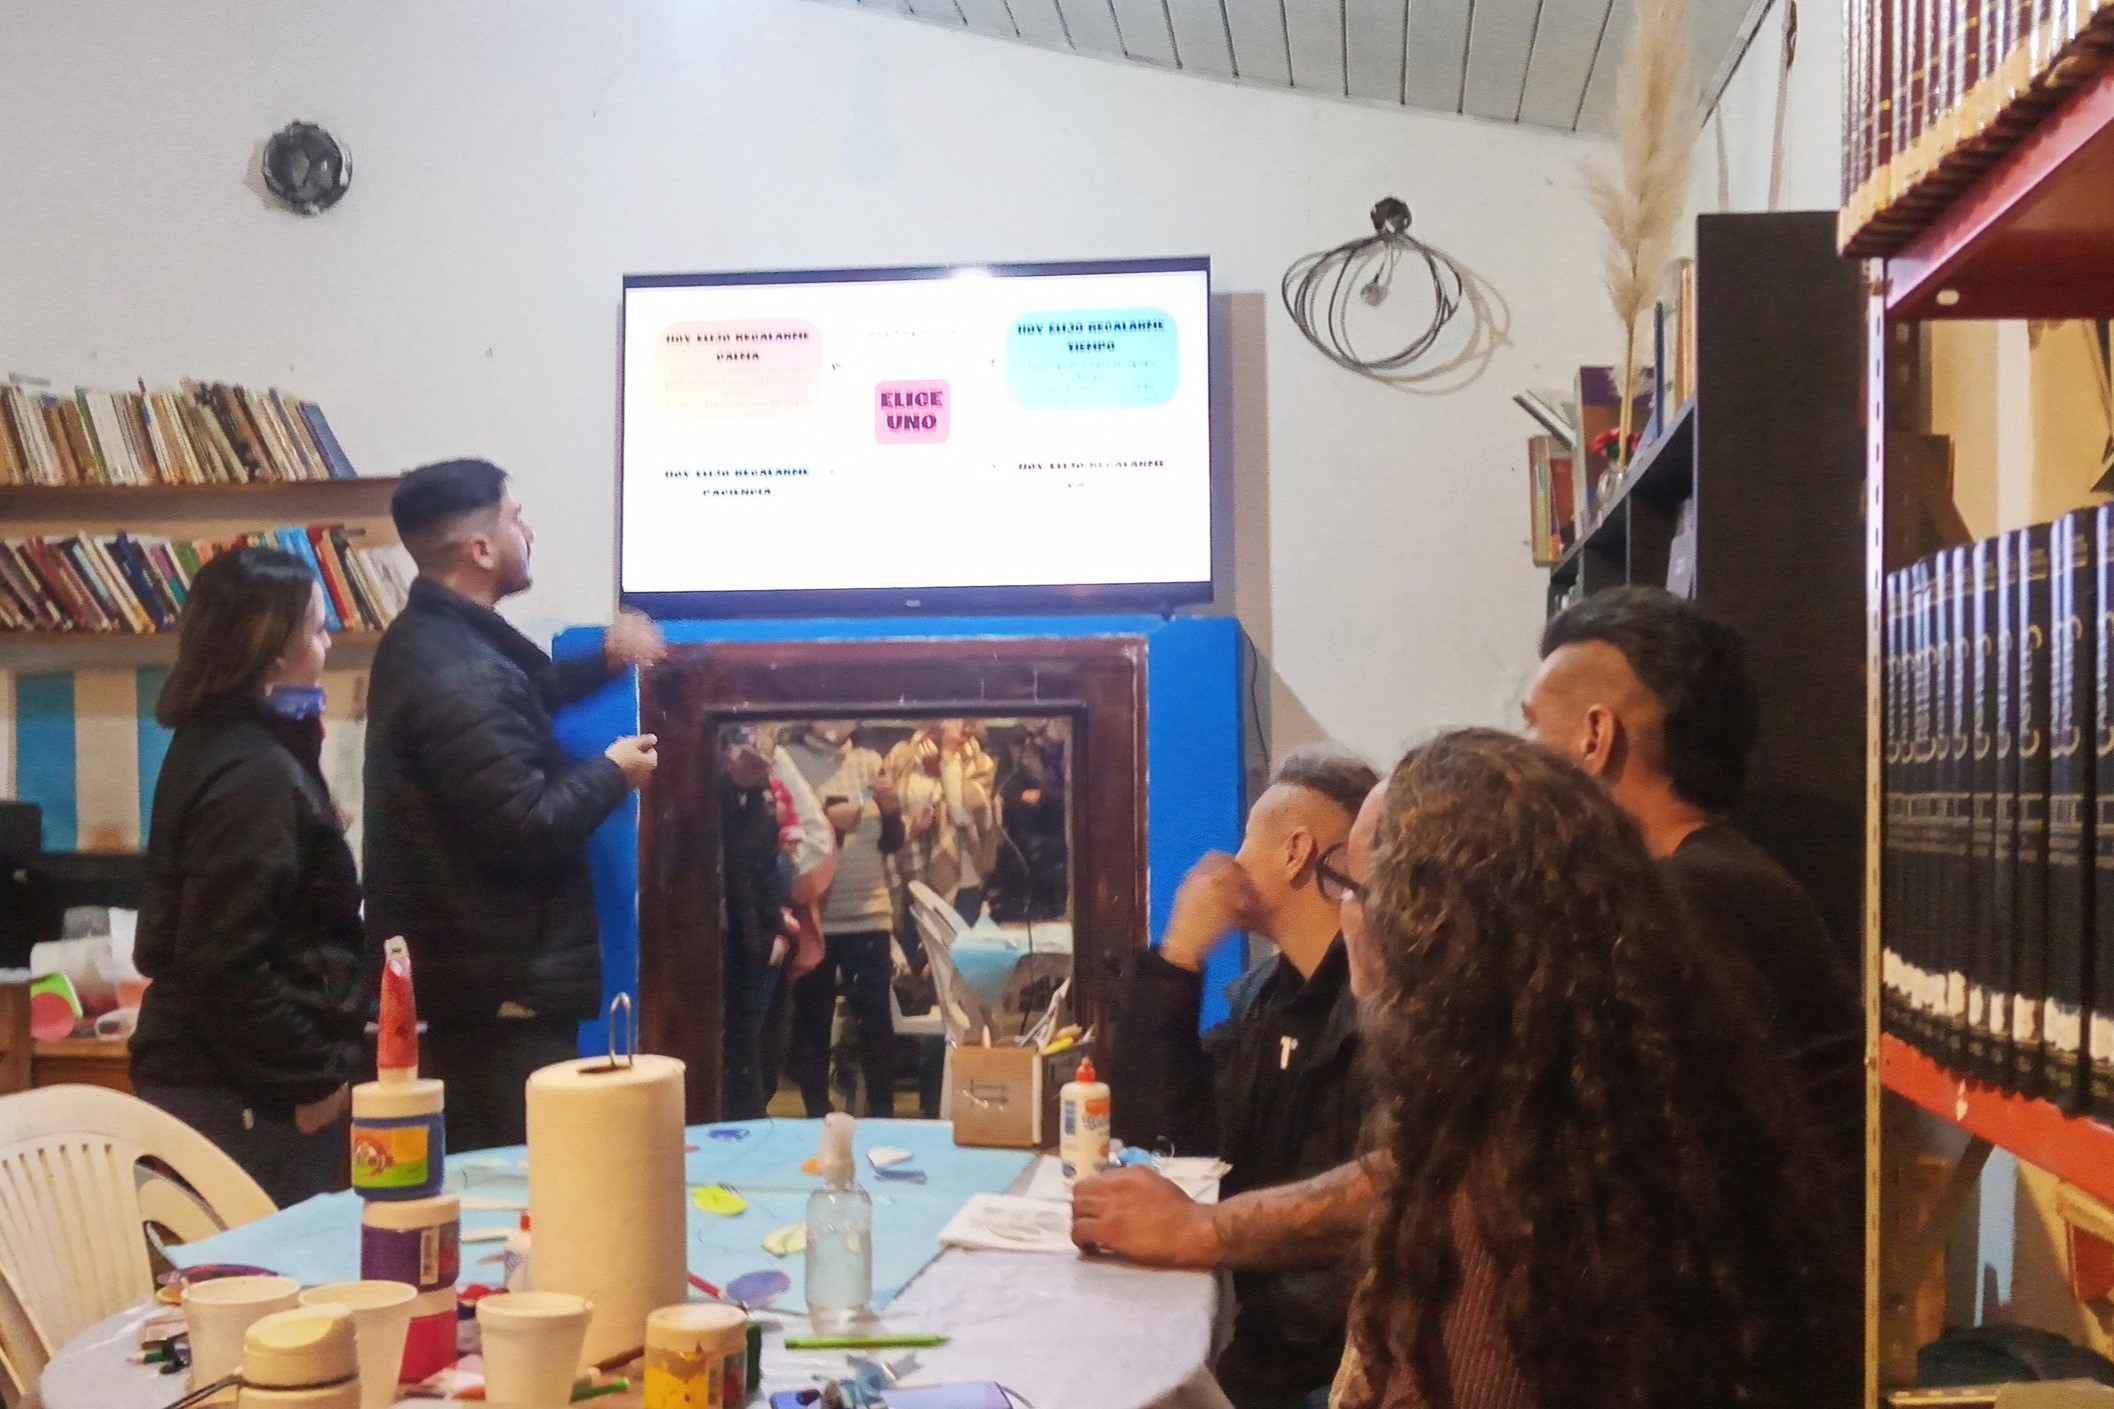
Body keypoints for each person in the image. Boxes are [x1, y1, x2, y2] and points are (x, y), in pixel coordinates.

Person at [1320, 730, 1837, 1409]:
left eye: (1352, 887)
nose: (1344, 912)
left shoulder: (1497, 1208)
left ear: (1420, 939)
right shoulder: (1682, 1098)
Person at [364, 458, 664, 1152]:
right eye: (515, 518)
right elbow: (525, 821)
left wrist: (604, 660)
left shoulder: (443, 644)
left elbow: (512, 704)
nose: (527, 533)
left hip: (483, 989)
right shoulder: (460, 668)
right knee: (513, 1182)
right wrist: (614, 773)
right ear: (480, 548)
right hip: (501, 999)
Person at [1521, 586, 1863, 1195]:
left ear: (1594, 737)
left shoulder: (1685, 896)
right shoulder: (1719, 874)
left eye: (1531, 725)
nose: (1521, 757)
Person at [1104, 745, 1379, 1409]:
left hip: (1318, 1368)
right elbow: (1170, 1142)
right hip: (1261, 1341)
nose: (1228, 861)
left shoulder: (1377, 1011)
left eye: (1248, 838)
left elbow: (1363, 1224)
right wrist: (1178, 959)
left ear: (1295, 851)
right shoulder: (1264, 996)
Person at [132, 547, 367, 1206]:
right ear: (273, 656)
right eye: (317, 630)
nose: (328, 644)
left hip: (232, 1081)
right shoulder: (251, 772)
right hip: (240, 1095)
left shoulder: (225, 744)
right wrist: (312, 1079)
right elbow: (224, 963)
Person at [782, 721, 903, 1117]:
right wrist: (827, 823)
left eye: (845, 715)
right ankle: (816, 1115)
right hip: (815, 914)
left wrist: (891, 809)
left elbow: (892, 842)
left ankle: (883, 1117)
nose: (836, 722)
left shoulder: (869, 761)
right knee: (812, 1021)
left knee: (876, 1022)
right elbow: (784, 831)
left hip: (870, 910)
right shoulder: (789, 760)